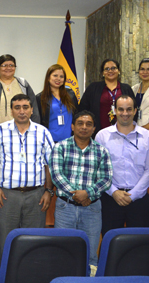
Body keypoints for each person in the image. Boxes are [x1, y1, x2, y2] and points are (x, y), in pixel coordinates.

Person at [0, 94, 55, 264]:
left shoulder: (43, 132)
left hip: (36, 196)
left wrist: (48, 191)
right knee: (7, 244)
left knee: (33, 245)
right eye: (17, 107)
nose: (22, 111)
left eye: (25, 107)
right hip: (7, 196)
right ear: (11, 110)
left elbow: (50, 164)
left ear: (32, 110)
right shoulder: (0, 131)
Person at [50, 111, 112, 269]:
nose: (84, 127)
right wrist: (77, 194)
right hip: (65, 208)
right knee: (63, 251)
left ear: (94, 128)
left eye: (89, 124)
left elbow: (106, 179)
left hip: (91, 209)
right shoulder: (60, 147)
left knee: (90, 254)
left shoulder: (102, 151)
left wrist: (88, 194)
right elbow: (57, 175)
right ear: (72, 126)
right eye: (80, 123)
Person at [95, 95, 149, 235]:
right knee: (110, 243)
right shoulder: (102, 136)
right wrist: (114, 192)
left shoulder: (147, 136)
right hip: (110, 199)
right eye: (121, 109)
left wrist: (132, 195)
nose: (125, 113)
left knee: (140, 245)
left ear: (135, 111)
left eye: (129, 109)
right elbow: (98, 169)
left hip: (138, 199)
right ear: (114, 111)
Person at [0, 54, 40, 130]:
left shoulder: (23, 84)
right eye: (4, 65)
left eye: (11, 65)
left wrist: (35, 129)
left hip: (22, 131)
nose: (8, 68)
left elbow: (34, 109)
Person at [78, 58, 135, 137]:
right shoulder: (93, 88)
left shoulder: (126, 89)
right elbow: (82, 109)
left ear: (119, 71)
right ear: (102, 73)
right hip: (98, 132)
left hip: (123, 132)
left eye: (113, 68)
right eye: (107, 69)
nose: (110, 71)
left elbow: (133, 110)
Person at [36, 64, 78, 142]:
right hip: (49, 141)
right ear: (48, 78)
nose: (58, 79)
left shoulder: (71, 94)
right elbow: (38, 121)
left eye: (61, 77)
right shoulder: (40, 98)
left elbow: (77, 114)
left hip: (70, 140)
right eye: (55, 75)